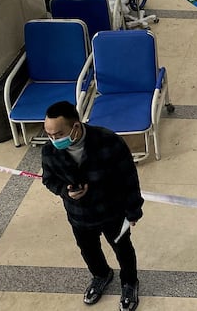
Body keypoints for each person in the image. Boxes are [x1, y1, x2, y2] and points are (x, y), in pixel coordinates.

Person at [41, 101, 143, 310]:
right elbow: (48, 179)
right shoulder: (50, 152)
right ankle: (101, 275)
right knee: (88, 250)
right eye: (49, 135)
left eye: (58, 134)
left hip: (112, 213)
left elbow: (129, 178)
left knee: (123, 249)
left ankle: (129, 282)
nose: (54, 140)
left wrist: (133, 210)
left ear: (76, 127)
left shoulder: (108, 142)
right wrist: (65, 191)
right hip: (79, 216)